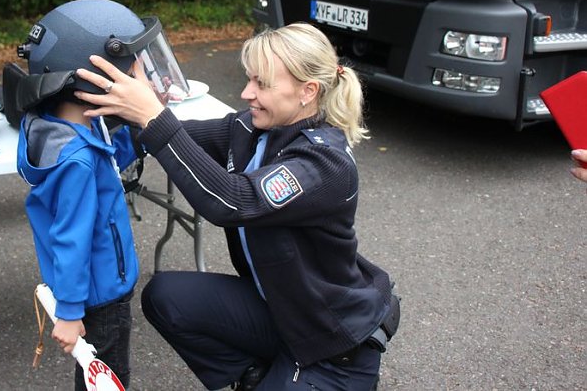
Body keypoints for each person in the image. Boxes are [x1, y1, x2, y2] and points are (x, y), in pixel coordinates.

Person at [74, 22, 397, 391]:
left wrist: (152, 115)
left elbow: (231, 200)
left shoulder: (325, 163)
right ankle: (256, 375)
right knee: (166, 297)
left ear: (308, 91)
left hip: (330, 346)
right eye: (249, 79)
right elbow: (171, 138)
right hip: (281, 311)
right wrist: (122, 107)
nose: (247, 93)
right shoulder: (253, 128)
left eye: (262, 83)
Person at [13, 0, 190, 390]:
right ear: (93, 78)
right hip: (101, 293)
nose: (141, 79)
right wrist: (70, 312)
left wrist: (141, 132)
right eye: (132, 70)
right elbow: (71, 237)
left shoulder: (68, 125)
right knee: (105, 379)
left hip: (96, 285)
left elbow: (106, 159)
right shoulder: (76, 161)